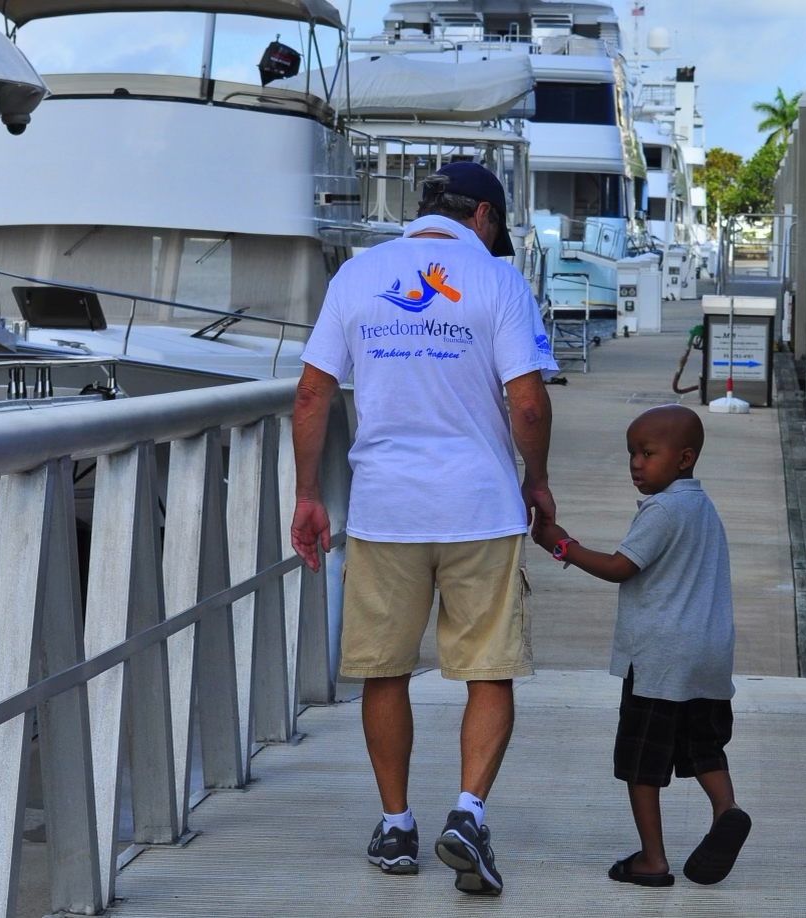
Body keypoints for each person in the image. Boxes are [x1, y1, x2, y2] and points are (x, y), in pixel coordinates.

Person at [290, 161, 557, 897]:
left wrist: (308, 495)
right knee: (487, 668)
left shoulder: (356, 276)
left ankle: (397, 824)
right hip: (480, 506)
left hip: (385, 509)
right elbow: (527, 405)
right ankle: (467, 813)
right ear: (484, 219)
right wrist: (535, 483)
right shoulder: (498, 281)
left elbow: (311, 396)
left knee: (384, 669)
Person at [533, 404, 750, 887]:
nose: (635, 463)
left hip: (659, 657)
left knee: (642, 760)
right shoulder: (703, 508)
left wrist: (560, 545)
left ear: (684, 458)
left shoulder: (663, 509)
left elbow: (620, 567)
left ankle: (652, 859)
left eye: (647, 453)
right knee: (703, 746)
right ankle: (726, 811)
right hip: (708, 657)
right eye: (632, 453)